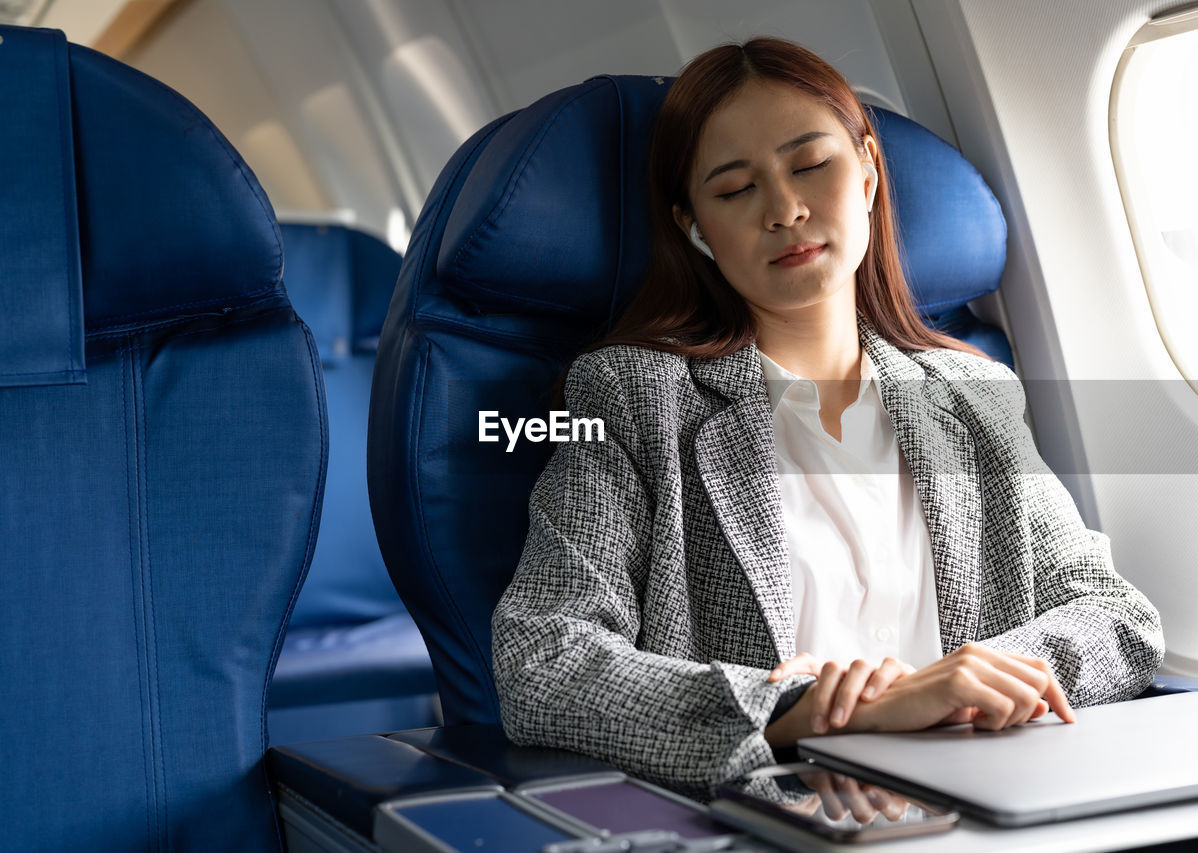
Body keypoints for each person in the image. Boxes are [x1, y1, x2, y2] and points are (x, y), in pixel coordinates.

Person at [491, 36, 1163, 797]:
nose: (786, 208)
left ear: (870, 171)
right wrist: (809, 712)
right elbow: (542, 657)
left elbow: (1117, 616)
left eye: (811, 165)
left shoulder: (975, 395)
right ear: (696, 229)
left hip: (988, 794)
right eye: (736, 188)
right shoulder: (633, 398)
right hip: (779, 805)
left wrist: (963, 684)